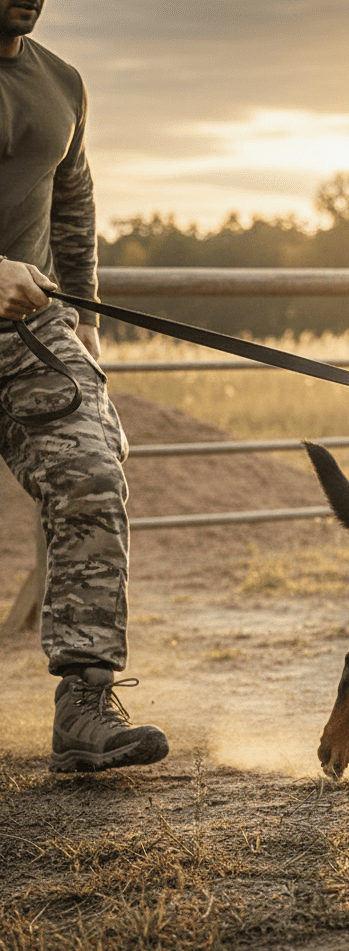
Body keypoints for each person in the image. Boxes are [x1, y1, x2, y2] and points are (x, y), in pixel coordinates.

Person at [0, 0, 168, 771]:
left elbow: (74, 202)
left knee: (94, 477)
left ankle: (85, 704)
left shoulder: (61, 81)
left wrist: (88, 322)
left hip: (29, 334)